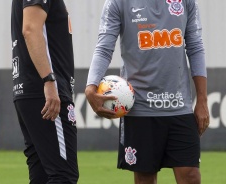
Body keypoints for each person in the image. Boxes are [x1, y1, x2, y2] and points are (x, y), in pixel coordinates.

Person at [85, 0, 209, 183]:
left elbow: (195, 47)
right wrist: (90, 87)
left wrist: (202, 101)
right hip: (140, 108)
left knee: (191, 175)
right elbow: (104, 49)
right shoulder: (117, 3)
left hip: (179, 106)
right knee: (145, 179)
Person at [11, 0, 79, 183]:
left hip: (31, 90)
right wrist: (49, 81)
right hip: (45, 91)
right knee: (63, 175)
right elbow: (31, 29)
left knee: (42, 176)